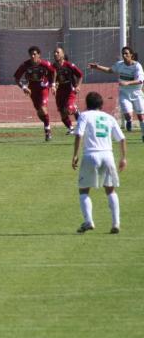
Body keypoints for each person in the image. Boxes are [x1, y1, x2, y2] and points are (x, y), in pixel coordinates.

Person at [72, 91, 126, 234]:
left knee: (84, 190)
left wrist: (75, 155)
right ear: (101, 105)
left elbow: (79, 135)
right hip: (108, 156)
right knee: (110, 190)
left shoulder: (84, 116)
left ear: (86, 104)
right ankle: (116, 223)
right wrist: (123, 158)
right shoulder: (109, 118)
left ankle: (89, 221)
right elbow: (122, 138)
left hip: (91, 155)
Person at [88, 46, 144, 142]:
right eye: (123, 53)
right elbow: (110, 70)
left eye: (126, 53)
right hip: (124, 93)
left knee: (141, 116)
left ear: (131, 55)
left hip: (137, 93)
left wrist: (127, 83)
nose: (124, 55)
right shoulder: (119, 64)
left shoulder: (137, 66)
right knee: (128, 115)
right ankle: (129, 121)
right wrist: (97, 67)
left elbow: (140, 81)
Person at [13, 46, 57, 141]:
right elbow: (16, 78)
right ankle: (46, 123)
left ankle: (47, 131)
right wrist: (24, 87)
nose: (33, 56)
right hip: (32, 89)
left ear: (39, 55)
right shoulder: (25, 65)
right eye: (31, 54)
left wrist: (53, 85)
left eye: (34, 54)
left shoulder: (45, 64)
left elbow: (53, 71)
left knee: (43, 109)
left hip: (43, 88)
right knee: (40, 112)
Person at [52, 47, 83, 135]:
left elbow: (80, 75)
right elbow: (51, 78)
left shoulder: (69, 65)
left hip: (70, 90)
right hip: (60, 91)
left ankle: (76, 110)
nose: (55, 54)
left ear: (62, 54)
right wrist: (53, 85)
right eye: (55, 52)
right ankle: (71, 129)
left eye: (58, 52)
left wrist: (78, 86)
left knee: (69, 109)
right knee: (62, 112)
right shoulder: (53, 67)